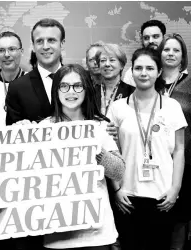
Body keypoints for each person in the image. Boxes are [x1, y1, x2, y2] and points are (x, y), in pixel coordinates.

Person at [108, 48, 187, 250]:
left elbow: (179, 150)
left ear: (159, 71)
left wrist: (175, 189)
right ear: (131, 71)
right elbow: (110, 153)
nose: (144, 73)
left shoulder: (172, 106)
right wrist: (116, 189)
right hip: (128, 196)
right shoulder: (118, 108)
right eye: (139, 68)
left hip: (163, 196)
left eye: (150, 68)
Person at [41, 64, 125, 250]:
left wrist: (95, 150)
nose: (71, 92)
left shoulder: (99, 126)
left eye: (78, 86)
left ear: (86, 90)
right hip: (57, 235)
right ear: (56, 91)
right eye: (64, 86)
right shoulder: (43, 128)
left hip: (97, 234)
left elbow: (119, 171)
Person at [158, 33, 191, 250]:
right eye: (166, 49)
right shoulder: (149, 79)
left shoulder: (189, 83)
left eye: (176, 50)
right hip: (156, 161)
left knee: (180, 216)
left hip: (186, 160)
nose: (170, 53)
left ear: (183, 56)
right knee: (159, 216)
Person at [6, 18, 65, 125]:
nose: (45, 46)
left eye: (51, 40)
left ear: (62, 44)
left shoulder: (80, 80)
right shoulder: (17, 88)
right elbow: (11, 133)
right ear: (33, 46)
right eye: (39, 41)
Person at [123, 19, 166, 87]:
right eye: (146, 38)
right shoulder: (132, 74)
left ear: (164, 38)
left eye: (155, 36)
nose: (151, 41)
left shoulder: (172, 67)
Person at [95, 43, 135, 116]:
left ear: (122, 65)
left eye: (112, 60)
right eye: (103, 60)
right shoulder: (90, 92)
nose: (107, 64)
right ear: (98, 65)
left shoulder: (132, 92)